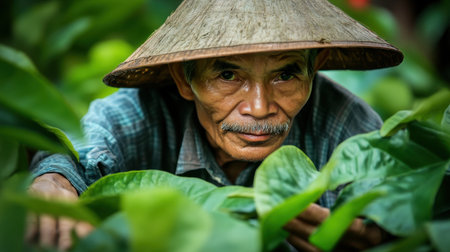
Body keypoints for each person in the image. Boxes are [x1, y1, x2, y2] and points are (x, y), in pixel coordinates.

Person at [27, 0, 403, 251]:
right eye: (227, 74)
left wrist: (376, 236)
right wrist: (53, 179)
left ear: (314, 67)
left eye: (285, 74)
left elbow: (392, 204)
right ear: (181, 79)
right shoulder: (143, 113)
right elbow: (78, 150)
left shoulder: (344, 121)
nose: (259, 107)